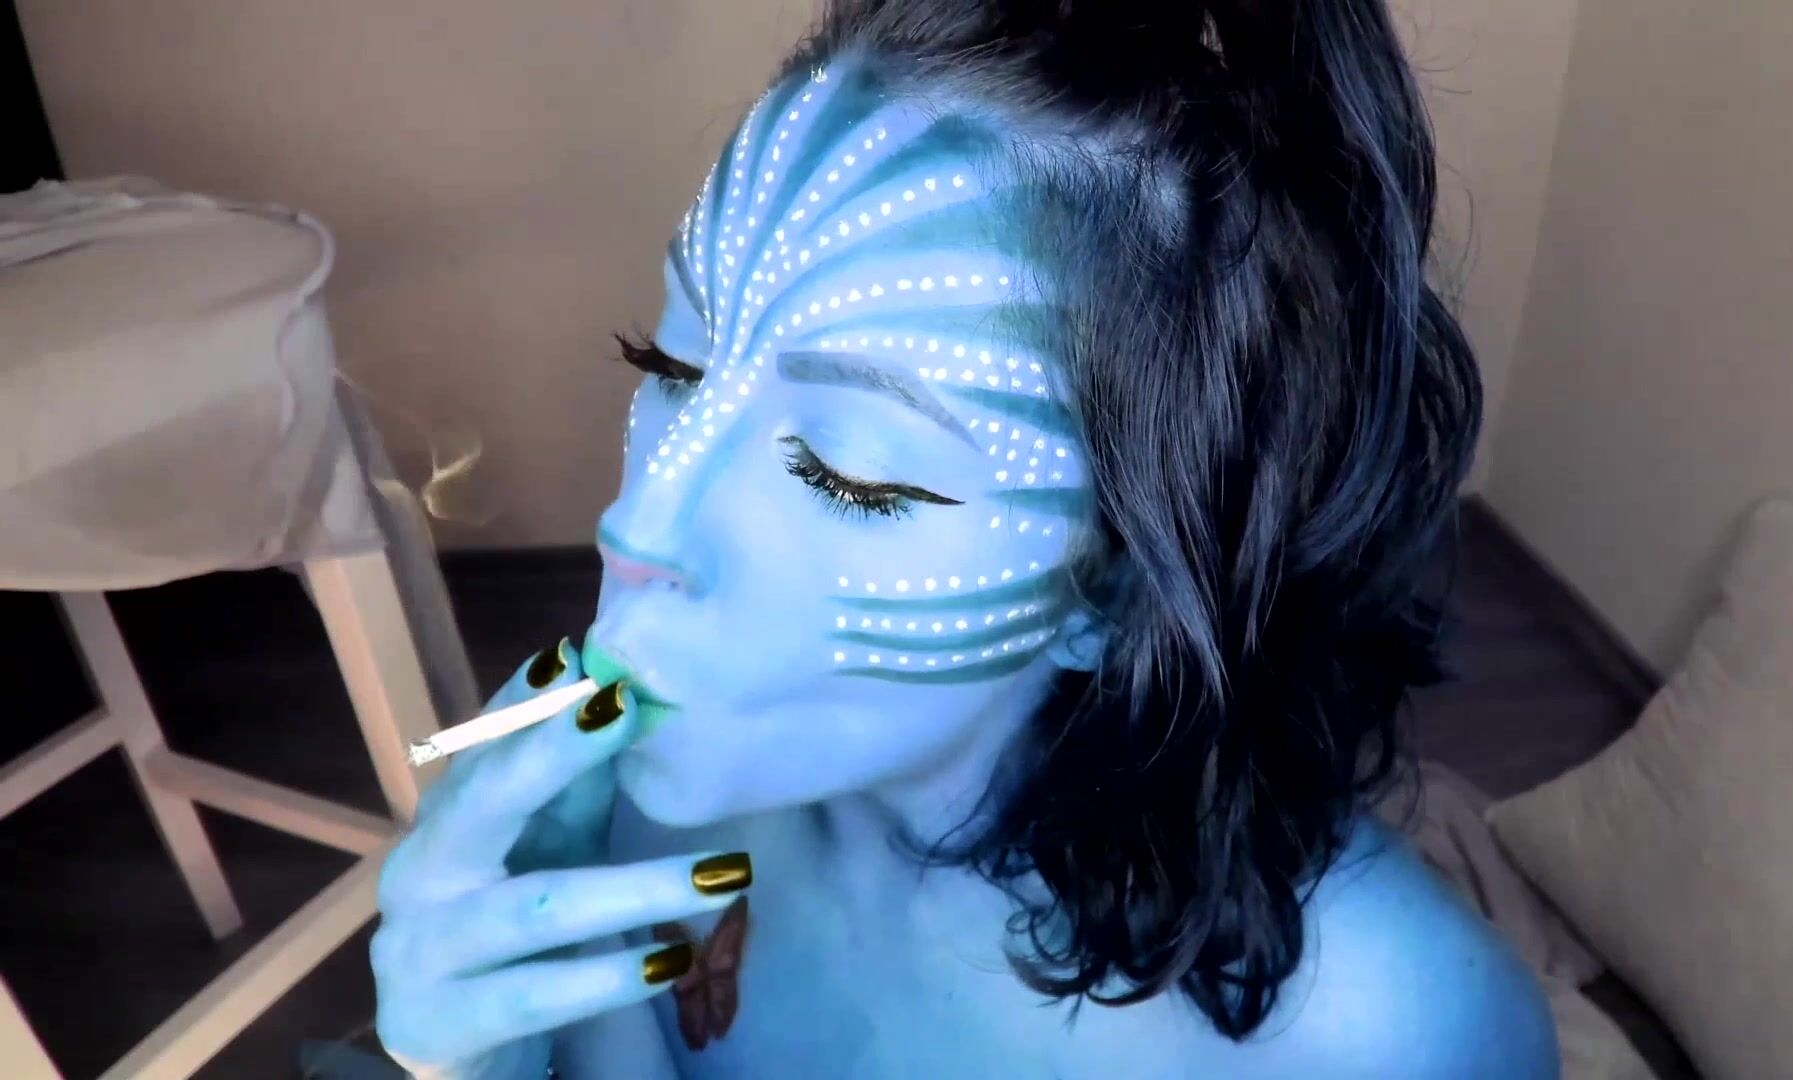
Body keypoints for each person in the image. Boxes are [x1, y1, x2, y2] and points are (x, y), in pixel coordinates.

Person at [372, 2, 1559, 1076]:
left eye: (848, 471)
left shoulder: (1400, 1032)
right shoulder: (644, 818)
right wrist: (490, 1061)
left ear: (1120, 586)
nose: (639, 524)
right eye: (672, 367)